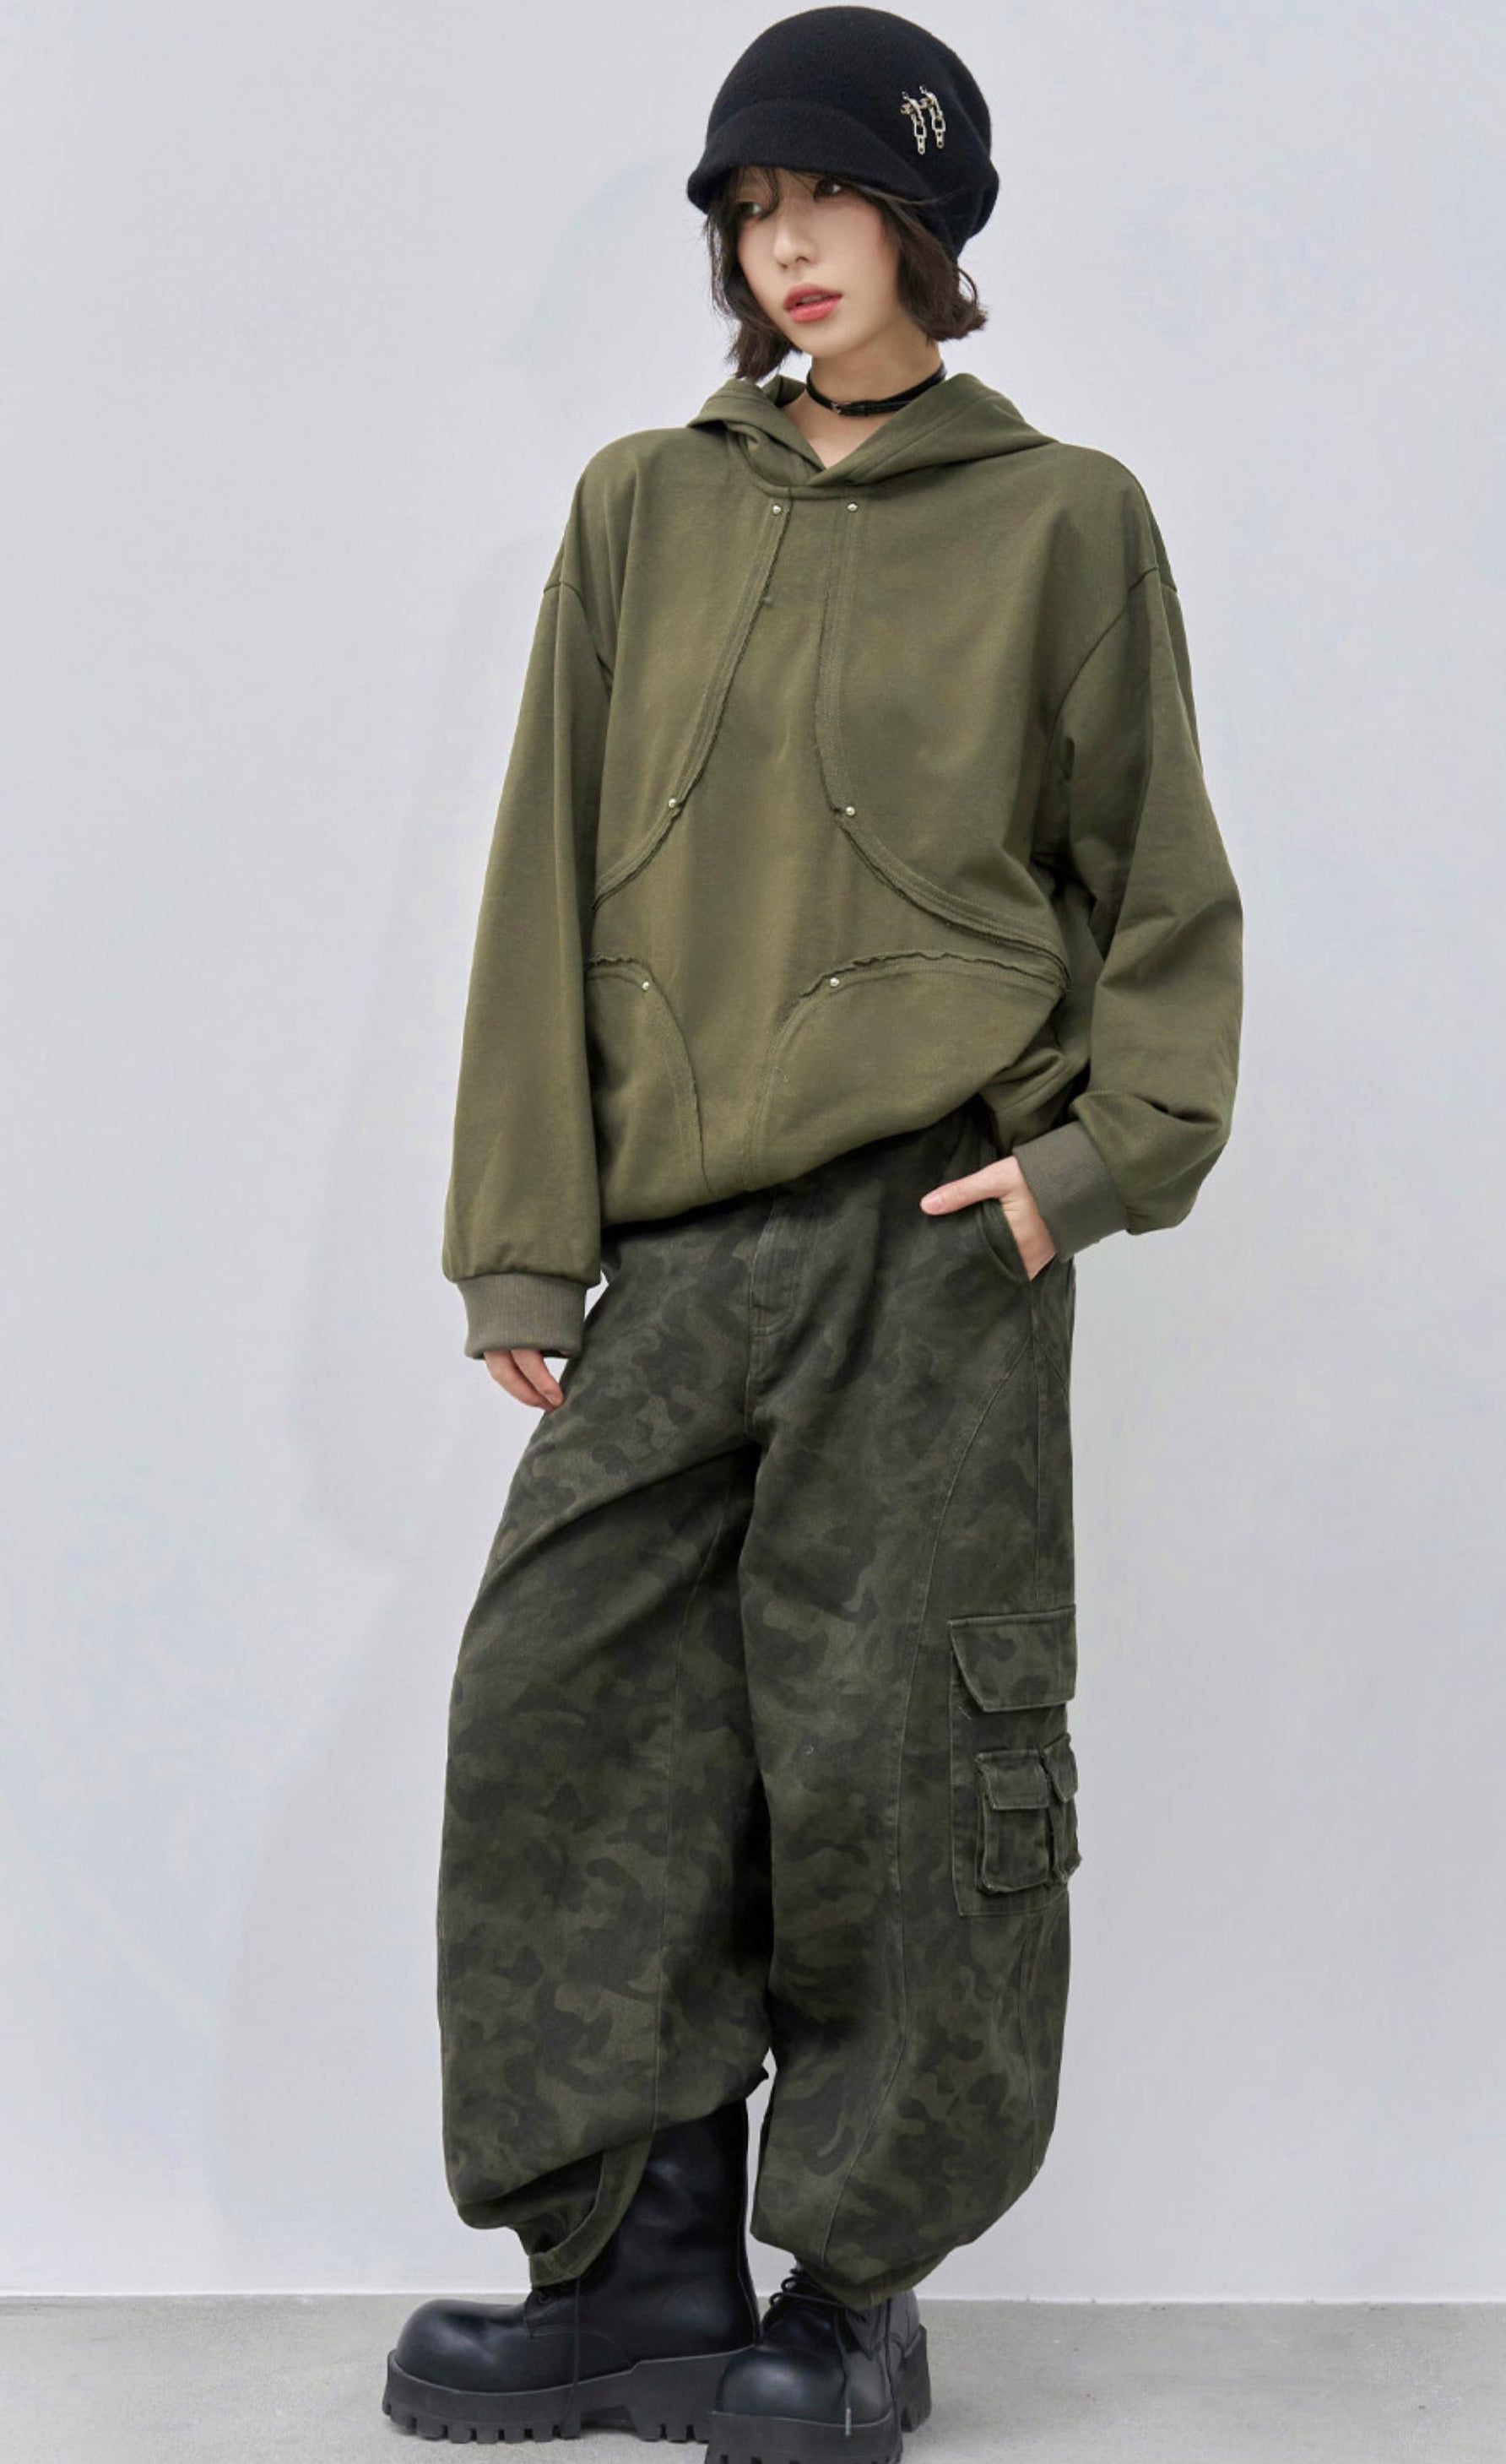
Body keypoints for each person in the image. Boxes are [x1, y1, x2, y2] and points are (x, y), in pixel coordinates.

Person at [383, 8, 1243, 2458]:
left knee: (895, 1762)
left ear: (926, 222)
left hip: (931, 1236)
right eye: (750, 208)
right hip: (678, 1250)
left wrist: (1087, 1168)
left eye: (830, 196)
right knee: (572, 1720)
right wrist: (523, 1244)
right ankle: (634, 2267)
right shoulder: (642, 506)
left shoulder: (1060, 518)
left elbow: (1159, 892)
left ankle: (852, 2292)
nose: (786, 244)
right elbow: (542, 876)